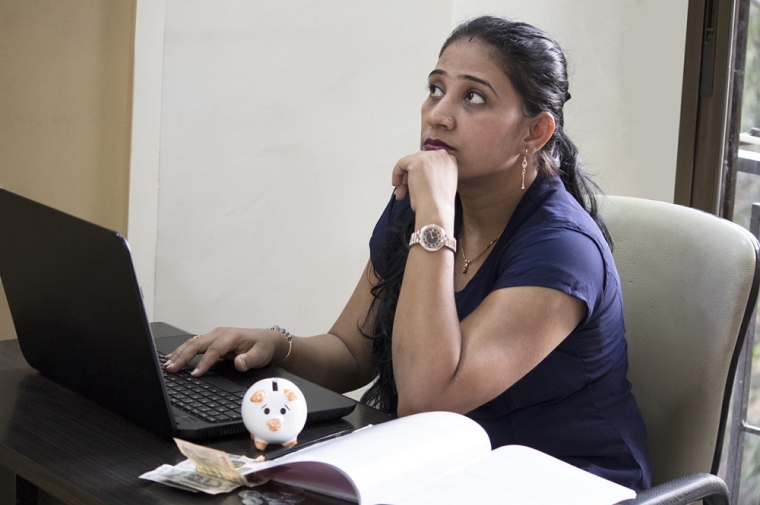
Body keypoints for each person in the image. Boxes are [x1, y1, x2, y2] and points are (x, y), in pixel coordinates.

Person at [164, 15, 652, 491]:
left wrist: (435, 218)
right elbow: (352, 352)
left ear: (535, 132)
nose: (438, 113)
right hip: (449, 468)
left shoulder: (562, 249)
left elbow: (427, 397)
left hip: (562, 482)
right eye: (436, 88)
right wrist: (278, 346)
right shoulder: (422, 206)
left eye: (474, 98)